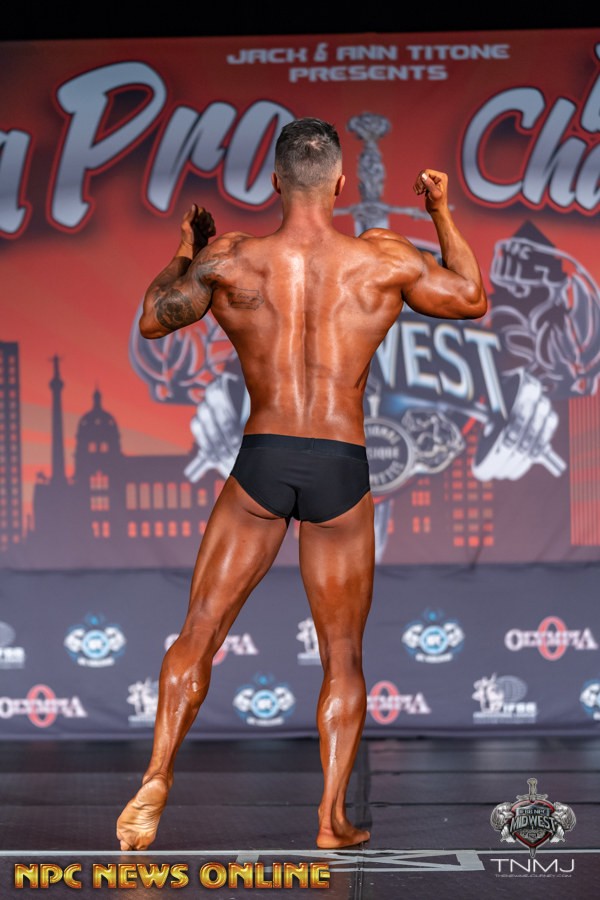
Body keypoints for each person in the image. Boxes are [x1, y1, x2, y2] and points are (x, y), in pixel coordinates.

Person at [116, 117, 487, 852]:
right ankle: (331, 819)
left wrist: (185, 248)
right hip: (340, 467)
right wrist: (442, 211)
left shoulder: (232, 258)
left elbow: (155, 319)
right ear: (341, 183)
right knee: (342, 655)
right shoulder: (383, 258)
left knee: (200, 630)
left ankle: (157, 775)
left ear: (275, 183)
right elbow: (472, 297)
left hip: (264, 458)